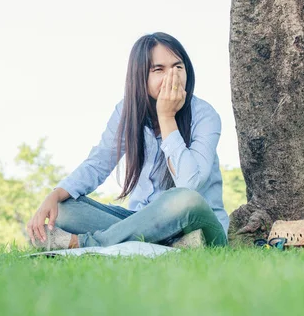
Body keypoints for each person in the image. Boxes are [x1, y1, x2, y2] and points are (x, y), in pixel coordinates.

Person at [26, 32, 229, 250]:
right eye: (159, 69)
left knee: (186, 199)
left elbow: (189, 185)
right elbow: (98, 163)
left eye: (178, 67)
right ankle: (168, 246)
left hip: (198, 225)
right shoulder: (126, 111)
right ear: (140, 76)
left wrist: (167, 117)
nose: (173, 76)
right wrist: (55, 194)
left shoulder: (205, 115)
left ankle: (86, 243)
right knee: (64, 208)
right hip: (143, 220)